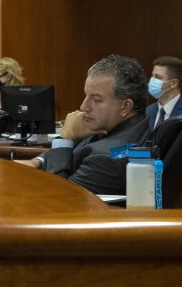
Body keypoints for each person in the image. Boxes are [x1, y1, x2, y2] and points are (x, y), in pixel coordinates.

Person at [17, 54, 150, 195]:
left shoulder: (107, 159)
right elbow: (66, 154)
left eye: (96, 99)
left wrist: (65, 138)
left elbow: (59, 197)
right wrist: (38, 161)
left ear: (125, 107)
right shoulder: (117, 125)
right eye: (86, 95)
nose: (83, 106)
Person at [144, 56, 182, 129]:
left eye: (158, 77)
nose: (152, 80)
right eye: (152, 76)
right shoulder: (148, 111)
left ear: (173, 83)